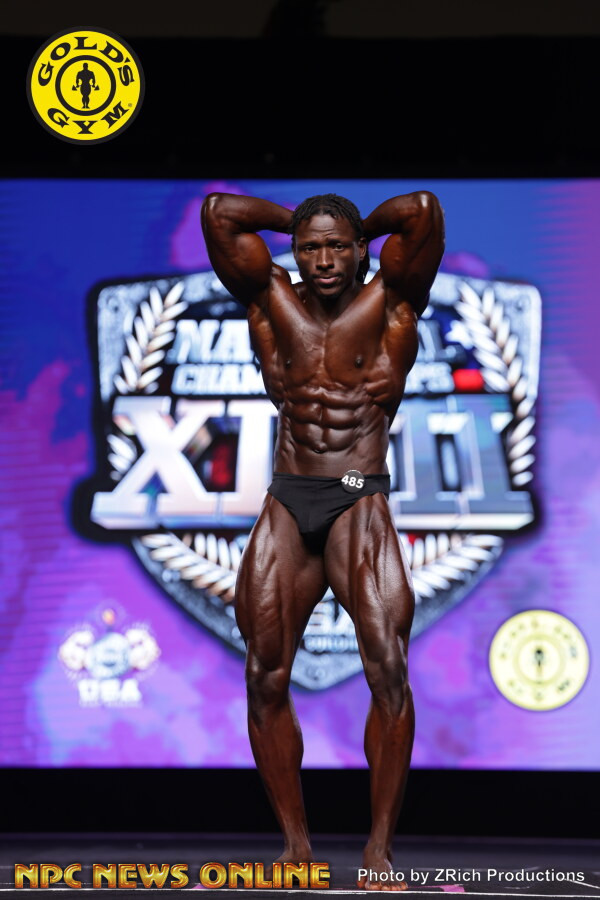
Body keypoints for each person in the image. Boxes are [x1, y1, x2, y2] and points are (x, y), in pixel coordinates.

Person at [201, 190, 444, 890]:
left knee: (388, 670)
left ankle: (378, 851)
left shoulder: (393, 301)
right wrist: (300, 219)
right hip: (289, 496)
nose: (325, 259)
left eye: (338, 245)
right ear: (295, 252)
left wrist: (354, 225)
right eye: (311, 247)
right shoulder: (268, 297)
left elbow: (421, 209)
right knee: (263, 674)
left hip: (356, 496)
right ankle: (296, 848)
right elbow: (218, 213)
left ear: (361, 249)